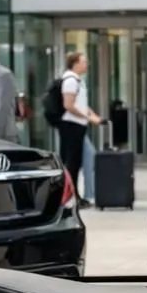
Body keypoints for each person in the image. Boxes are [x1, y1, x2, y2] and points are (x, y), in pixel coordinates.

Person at [46, 50, 102, 203]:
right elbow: (69, 105)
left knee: (76, 162)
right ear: (75, 63)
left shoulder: (78, 80)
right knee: (72, 162)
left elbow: (81, 104)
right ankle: (71, 196)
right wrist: (88, 118)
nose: (87, 64)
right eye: (84, 62)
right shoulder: (70, 81)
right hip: (71, 126)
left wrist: (91, 114)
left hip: (78, 125)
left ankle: (75, 195)